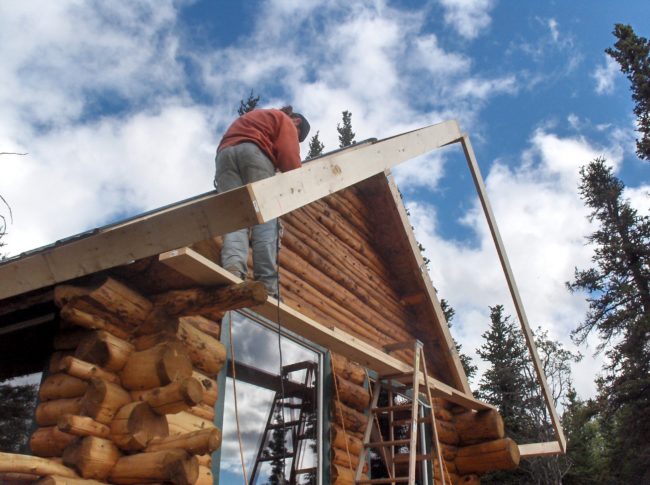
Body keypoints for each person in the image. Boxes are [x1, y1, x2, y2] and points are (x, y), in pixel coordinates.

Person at [214, 106, 310, 298]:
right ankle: (267, 285)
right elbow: (290, 159)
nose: (295, 138)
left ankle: (233, 270)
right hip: (254, 154)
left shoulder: (258, 116)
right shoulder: (284, 119)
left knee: (235, 220)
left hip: (224, 157)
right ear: (297, 122)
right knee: (266, 219)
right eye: (298, 136)